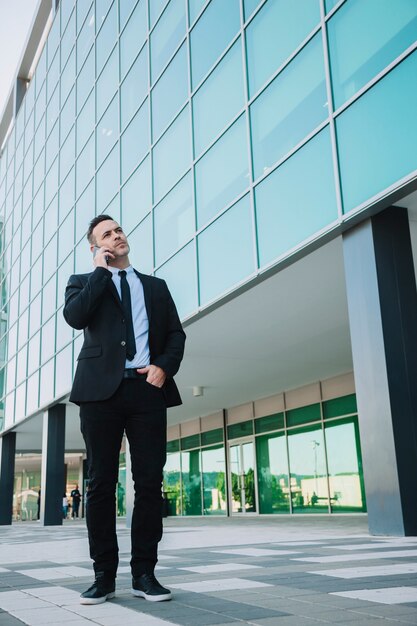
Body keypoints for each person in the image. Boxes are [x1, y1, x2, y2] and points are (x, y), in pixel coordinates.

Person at [63, 215, 185, 606]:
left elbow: (176, 334)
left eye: (118, 230)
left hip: (147, 389)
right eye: (106, 235)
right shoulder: (83, 282)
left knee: (149, 482)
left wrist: (164, 366)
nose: (117, 236)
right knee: (100, 484)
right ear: (95, 247)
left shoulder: (155, 286)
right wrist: (100, 272)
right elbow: (75, 317)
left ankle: (145, 575)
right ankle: (103, 576)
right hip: (100, 393)